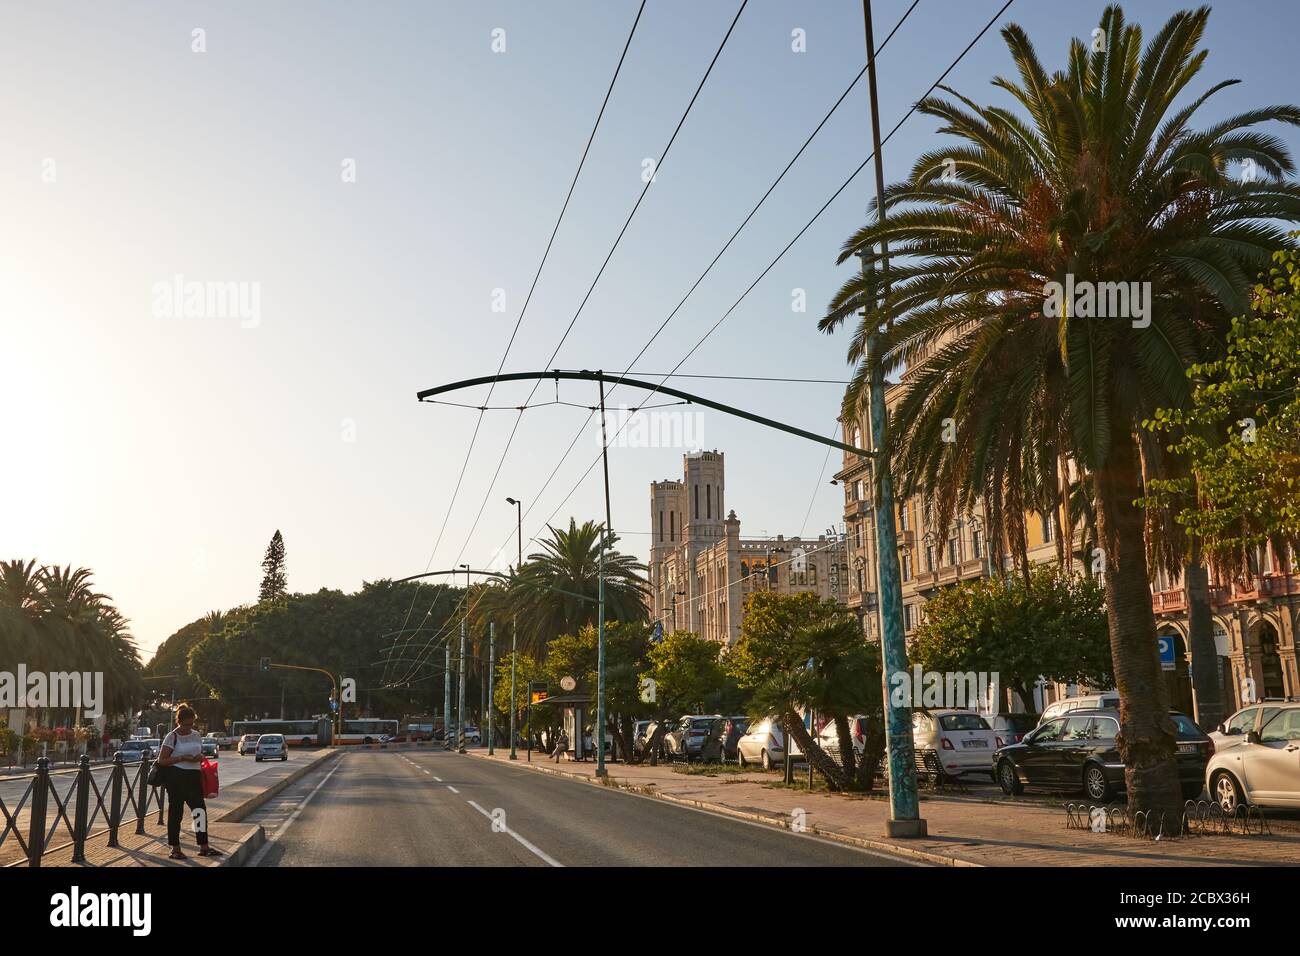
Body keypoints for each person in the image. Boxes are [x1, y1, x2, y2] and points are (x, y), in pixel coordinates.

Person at [157, 704, 221, 860]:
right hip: (176, 777)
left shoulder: (196, 735)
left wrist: (199, 757)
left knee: (200, 812)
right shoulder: (172, 736)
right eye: (186, 724)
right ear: (179, 722)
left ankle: (204, 846)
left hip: (193, 777)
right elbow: (162, 760)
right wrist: (182, 758)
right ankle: (175, 848)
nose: (189, 727)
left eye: (192, 723)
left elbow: (198, 752)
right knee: (175, 814)